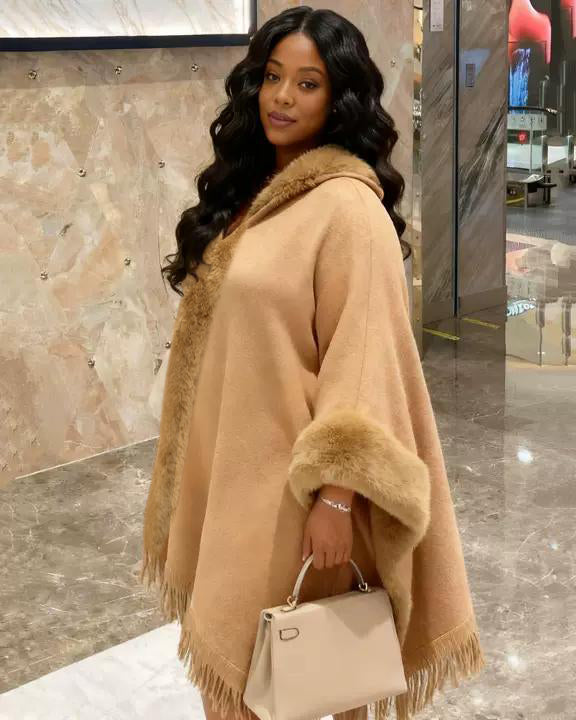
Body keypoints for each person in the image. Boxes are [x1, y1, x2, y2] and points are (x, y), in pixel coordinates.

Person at [140, 7, 485, 720]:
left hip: (288, 493)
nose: (282, 98)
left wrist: (335, 499)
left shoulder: (347, 209)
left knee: (274, 676)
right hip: (231, 471)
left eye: (307, 83)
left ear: (340, 99)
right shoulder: (251, 195)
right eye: (272, 77)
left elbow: (361, 363)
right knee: (237, 685)